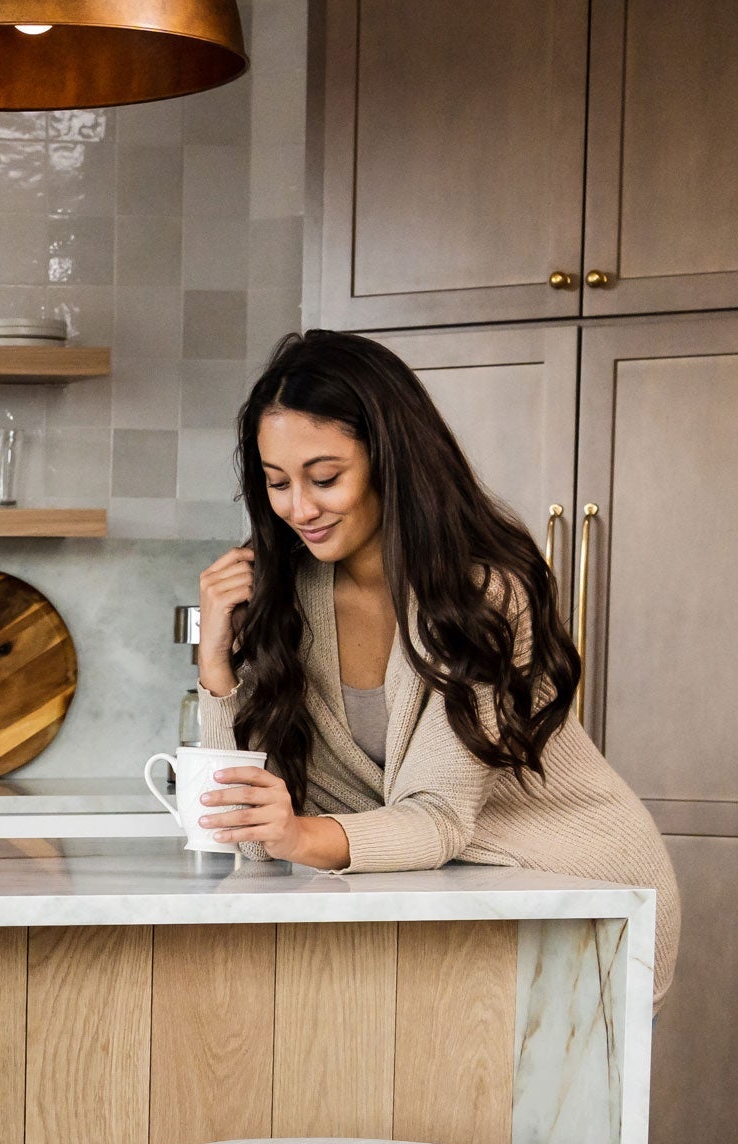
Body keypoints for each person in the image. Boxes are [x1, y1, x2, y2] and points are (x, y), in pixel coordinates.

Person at [195, 328, 678, 1001]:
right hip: (444, 903)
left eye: (325, 477)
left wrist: (298, 833)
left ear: (390, 462)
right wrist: (216, 665)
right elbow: (245, 837)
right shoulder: (288, 597)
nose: (299, 508)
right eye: (278, 483)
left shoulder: (484, 597)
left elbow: (437, 818)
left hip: (572, 892)